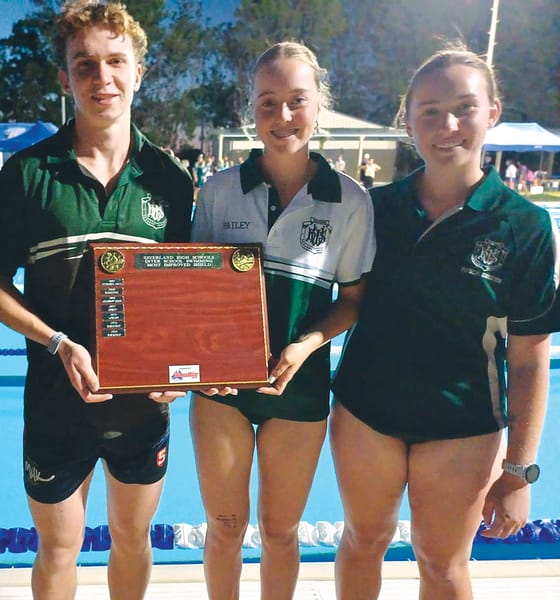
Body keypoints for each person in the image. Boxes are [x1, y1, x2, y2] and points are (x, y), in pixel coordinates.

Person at [0, 1, 194, 598]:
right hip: (55, 405)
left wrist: (181, 370)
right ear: (64, 78)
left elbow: (185, 294)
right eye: (85, 64)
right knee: (58, 547)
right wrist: (57, 342)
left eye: (116, 62)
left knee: (133, 538)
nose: (103, 78)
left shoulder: (170, 180)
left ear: (139, 72)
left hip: (141, 409)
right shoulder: (28, 174)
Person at [330, 42, 559, 600]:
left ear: (492, 112)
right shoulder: (374, 209)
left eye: (463, 108)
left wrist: (519, 470)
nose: (447, 125)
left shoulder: (524, 226)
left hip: (463, 423)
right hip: (366, 413)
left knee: (442, 564)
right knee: (362, 540)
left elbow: (530, 361)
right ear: (408, 122)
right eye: (429, 111)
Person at [189, 41, 375, 599]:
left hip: (300, 388)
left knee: (279, 532)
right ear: (251, 109)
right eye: (267, 102)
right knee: (224, 528)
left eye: (297, 100)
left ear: (319, 104)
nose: (282, 115)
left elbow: (354, 299)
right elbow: (191, 291)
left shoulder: (350, 201)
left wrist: (307, 343)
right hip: (221, 391)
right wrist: (199, 363)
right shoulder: (220, 190)